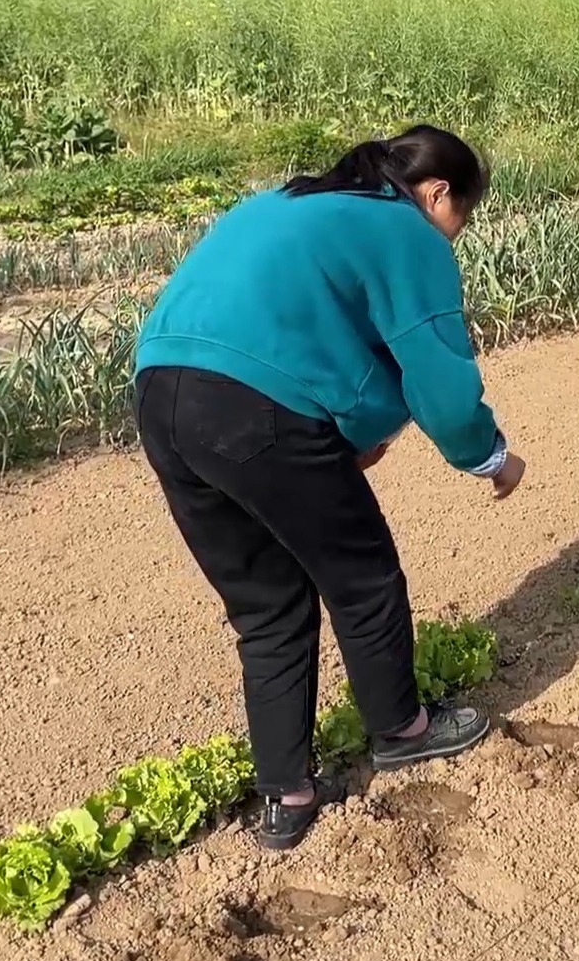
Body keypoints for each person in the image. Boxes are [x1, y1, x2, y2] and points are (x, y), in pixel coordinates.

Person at [131, 123, 524, 850]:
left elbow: (301, 329)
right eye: (459, 219)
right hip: (256, 407)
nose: (454, 237)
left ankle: (286, 794)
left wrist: (339, 439)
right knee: (362, 577)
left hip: (161, 392)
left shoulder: (291, 201)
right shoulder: (407, 232)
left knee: (266, 603)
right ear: (436, 193)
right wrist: (490, 457)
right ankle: (402, 730)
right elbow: (437, 380)